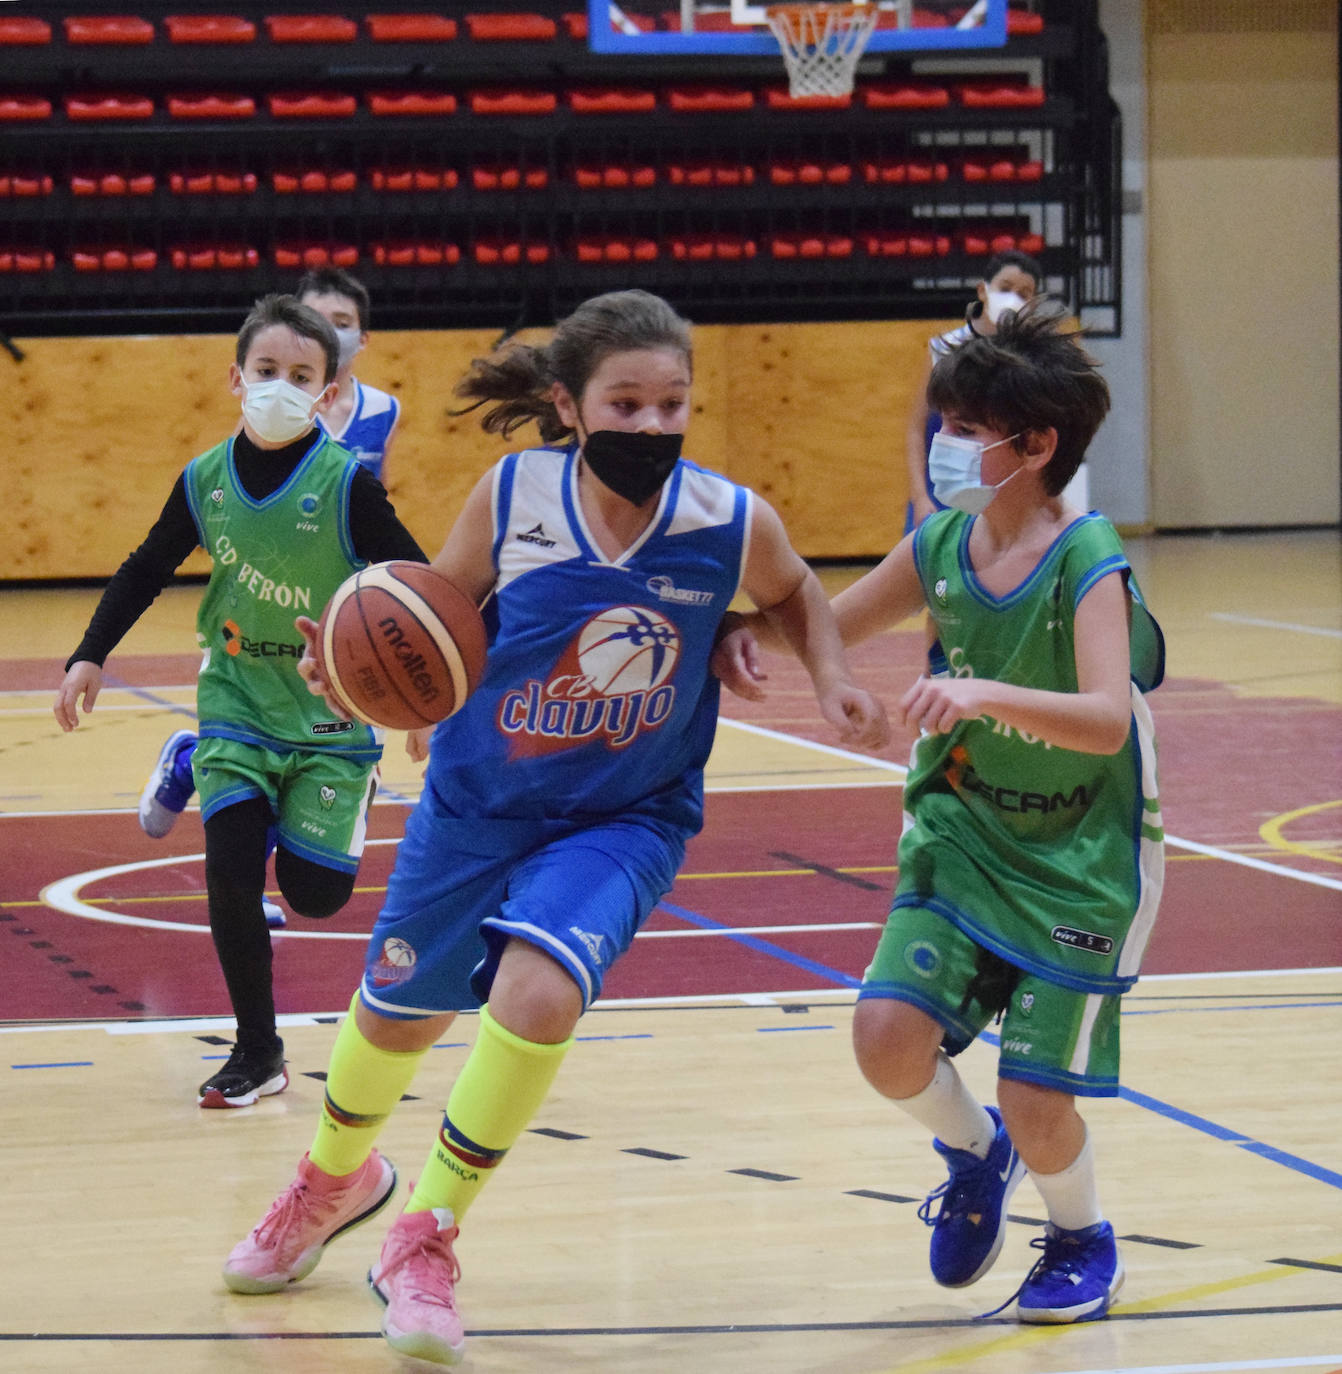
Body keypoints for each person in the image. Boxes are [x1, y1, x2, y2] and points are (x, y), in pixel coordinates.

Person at [219, 289, 889, 1366]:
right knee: (394, 1018)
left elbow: (799, 586)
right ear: (569, 407)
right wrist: (355, 676)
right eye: (624, 402)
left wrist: (830, 675)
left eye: (672, 404)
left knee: (540, 990)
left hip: (625, 812)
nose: (651, 426)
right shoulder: (513, 493)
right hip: (480, 800)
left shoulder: (726, 519)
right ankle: (332, 1181)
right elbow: (443, 618)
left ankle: (424, 1234)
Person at [715, 298, 1164, 1325]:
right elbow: (824, 626)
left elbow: (1103, 719)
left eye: (966, 429)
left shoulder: (1087, 555)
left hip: (1083, 855)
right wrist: (742, 626)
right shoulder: (940, 545)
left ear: (1035, 444)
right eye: (944, 422)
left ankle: (1082, 1236)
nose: (944, 444)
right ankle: (974, 1155)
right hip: (965, 829)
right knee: (884, 1036)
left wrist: (977, 693)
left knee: (1038, 1097)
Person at [54, 294, 427, 1107]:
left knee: (316, 895)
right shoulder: (203, 481)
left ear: (329, 393)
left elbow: (415, 586)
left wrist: (425, 704)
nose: (281, 387)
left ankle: (223, 771)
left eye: (302, 376)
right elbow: (146, 565)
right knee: (230, 871)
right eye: (267, 371)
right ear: (236, 377)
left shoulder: (346, 488)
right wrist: (90, 654)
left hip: (328, 718)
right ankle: (257, 1053)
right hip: (235, 702)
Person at [135, 267, 405, 930]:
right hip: (255, 627)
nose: (330, 330)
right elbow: (149, 563)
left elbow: (384, 518)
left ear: (358, 341)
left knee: (316, 887)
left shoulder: (379, 413)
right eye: (321, 318)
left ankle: (208, 768)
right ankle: (207, 773)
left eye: (344, 322)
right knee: (245, 775)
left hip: (331, 609)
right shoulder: (236, 444)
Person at [904, 250, 1042, 532]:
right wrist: (919, 496)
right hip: (945, 484)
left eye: (1024, 293)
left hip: (1002, 489)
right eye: (1005, 289)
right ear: (983, 290)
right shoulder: (945, 348)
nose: (1014, 299)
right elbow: (916, 429)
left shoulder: (1033, 359)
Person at [296, 266, 402, 484]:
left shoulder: (384, 409)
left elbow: (380, 494)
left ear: (362, 339)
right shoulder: (271, 402)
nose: (327, 333)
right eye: (314, 321)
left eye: (342, 324)